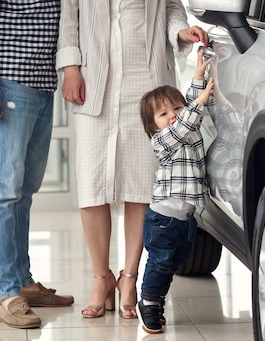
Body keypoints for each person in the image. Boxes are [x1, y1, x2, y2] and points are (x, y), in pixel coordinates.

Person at [56, 0, 209, 319]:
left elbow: (171, 9)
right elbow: (69, 16)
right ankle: (102, 279)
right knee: (92, 182)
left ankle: (129, 277)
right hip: (94, 77)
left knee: (140, 184)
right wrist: (70, 67)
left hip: (146, 79)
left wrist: (180, 31)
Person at [0, 0, 74, 329]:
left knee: (23, 190)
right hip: (6, 85)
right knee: (2, 191)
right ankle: (6, 294)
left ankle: (23, 283)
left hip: (41, 88)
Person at [137, 48, 215, 334]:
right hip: (162, 220)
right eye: (163, 113)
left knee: (171, 264)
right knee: (160, 264)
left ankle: (156, 300)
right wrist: (200, 102)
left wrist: (198, 76)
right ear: (152, 125)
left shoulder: (186, 125)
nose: (172, 116)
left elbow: (190, 109)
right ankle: (148, 302)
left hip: (183, 221)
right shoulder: (164, 139)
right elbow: (187, 120)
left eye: (176, 109)